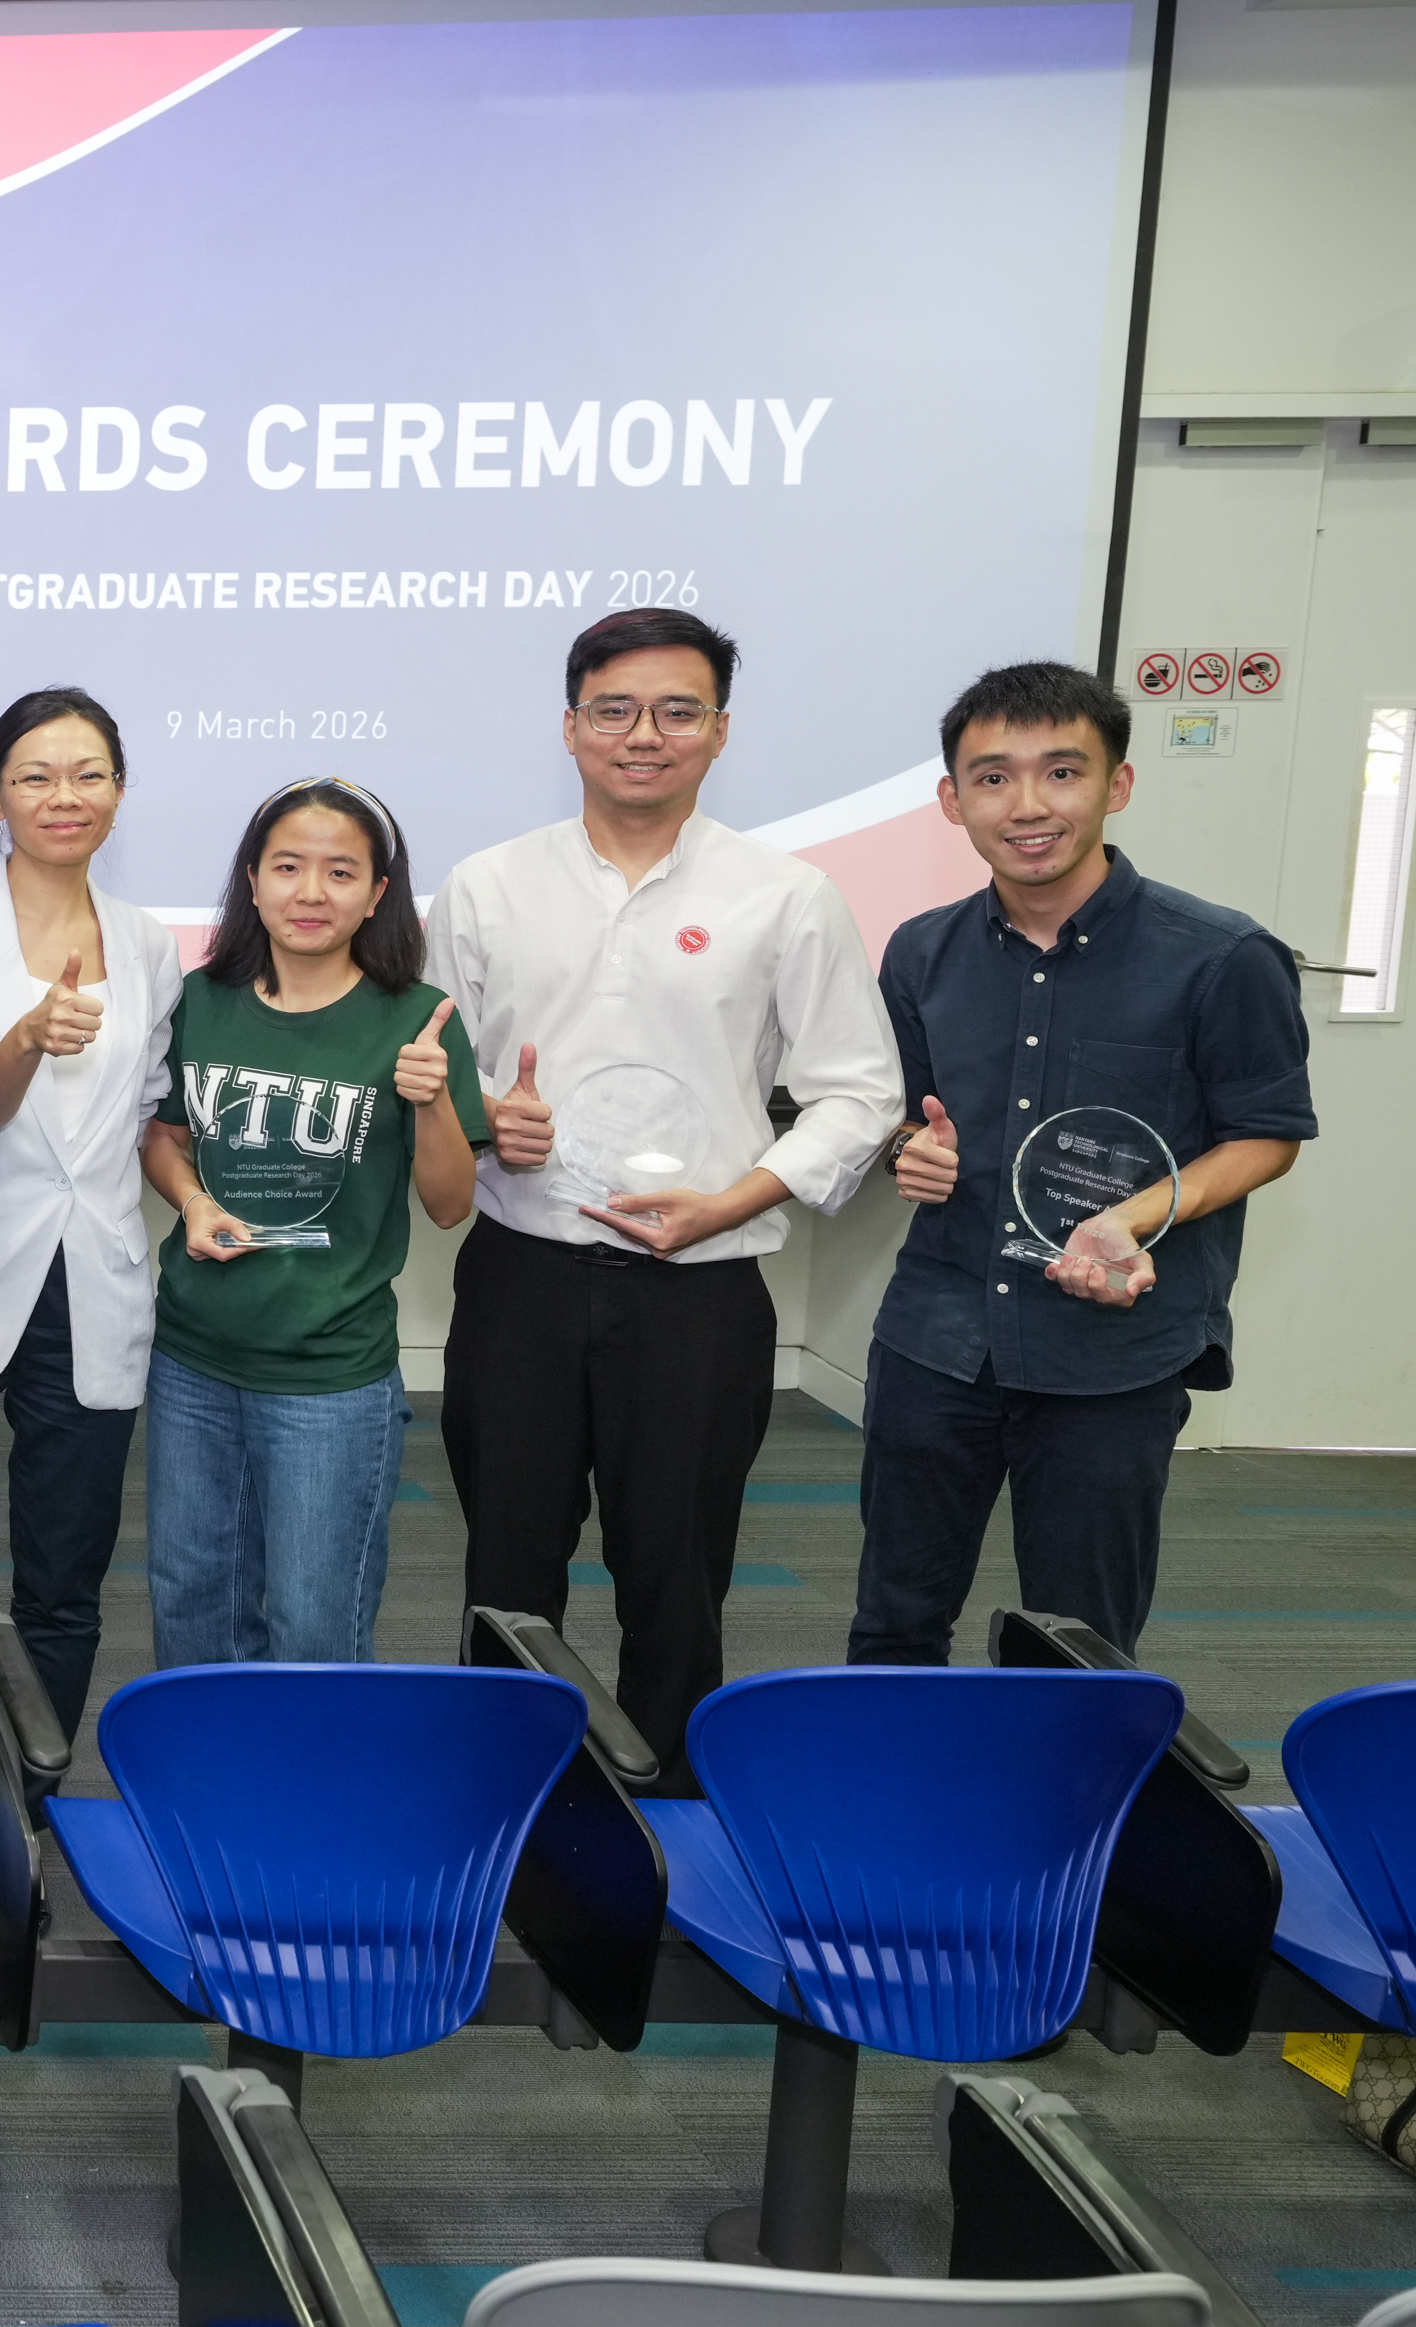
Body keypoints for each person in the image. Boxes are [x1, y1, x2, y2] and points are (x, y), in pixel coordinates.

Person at [426, 608, 901, 1785]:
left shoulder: (785, 895)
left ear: (719, 731)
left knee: (677, 1573)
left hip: (699, 1288)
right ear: (572, 726)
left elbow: (857, 1090)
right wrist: (491, 1117)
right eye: (615, 710)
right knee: (507, 1570)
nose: (645, 735)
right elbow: (425, 1068)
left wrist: (736, 1199)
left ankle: (674, 1814)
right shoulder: (485, 886)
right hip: (521, 1274)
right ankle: (504, 1798)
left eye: (677, 711)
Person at [850, 661, 1312, 1662]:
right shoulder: (919, 952)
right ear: (949, 799)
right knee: (894, 1617)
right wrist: (908, 1152)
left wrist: (1134, 1215)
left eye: (1061, 773)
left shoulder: (1222, 957)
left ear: (1118, 785)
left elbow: (1265, 1135)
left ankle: (1066, 1819)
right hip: (937, 1337)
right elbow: (904, 1117)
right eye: (991, 778)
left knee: (1076, 1639)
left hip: (1112, 1356)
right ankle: (884, 1809)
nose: (1026, 806)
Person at [139, 778, 482, 1663]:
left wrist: (435, 1101)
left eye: (340, 871)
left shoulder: (417, 1019)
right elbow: (165, 1137)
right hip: (192, 1361)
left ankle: (314, 1799)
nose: (310, 891)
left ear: (377, 894)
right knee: (190, 1602)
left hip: (331, 1377)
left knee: (313, 1620)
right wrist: (191, 1199)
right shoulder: (200, 999)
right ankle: (199, 1787)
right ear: (252, 880)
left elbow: (450, 1204)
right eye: (288, 866)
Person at [0, 688, 180, 1738]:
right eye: (35, 777)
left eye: (88, 774)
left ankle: (35, 1793)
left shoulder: (149, 944)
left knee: (65, 1575)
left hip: (94, 1274)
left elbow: (148, 1113)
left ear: (117, 791)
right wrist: (21, 1036)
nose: (64, 796)